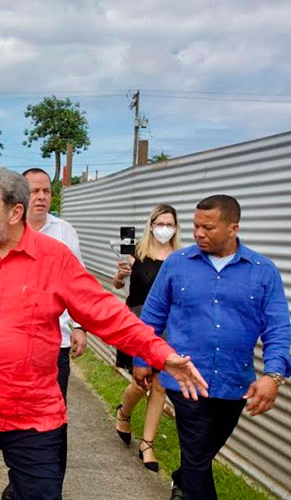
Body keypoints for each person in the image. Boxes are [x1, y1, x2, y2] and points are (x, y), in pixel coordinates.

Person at [0, 167, 208, 500]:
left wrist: (160, 352)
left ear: (15, 212)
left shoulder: (54, 258)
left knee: (42, 493)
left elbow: (105, 312)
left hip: (30, 411)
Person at [135, 195, 290, 500]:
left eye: (208, 227)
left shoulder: (262, 271)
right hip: (186, 381)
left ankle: (182, 480)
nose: (198, 233)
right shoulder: (177, 264)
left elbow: (278, 329)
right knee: (196, 454)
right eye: (195, 226)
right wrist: (142, 357)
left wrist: (273, 376)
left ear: (233, 228)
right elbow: (152, 315)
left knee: (201, 455)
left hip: (234, 384)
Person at [0, 167, 88, 500]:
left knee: (53, 419)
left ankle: (51, 486)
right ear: (20, 196)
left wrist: (78, 326)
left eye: (47, 191)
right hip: (12, 346)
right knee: (14, 421)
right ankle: (19, 479)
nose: (41, 197)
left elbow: (78, 285)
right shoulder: (6, 230)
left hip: (55, 345)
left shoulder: (64, 231)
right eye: (34, 191)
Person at [111, 204, 181, 473]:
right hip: (138, 322)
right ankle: (123, 413)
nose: (165, 228)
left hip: (169, 326)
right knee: (141, 383)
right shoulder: (136, 254)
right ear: (151, 225)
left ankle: (147, 443)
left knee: (160, 384)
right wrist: (120, 275)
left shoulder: (181, 257)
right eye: (160, 223)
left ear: (176, 228)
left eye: (170, 224)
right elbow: (119, 286)